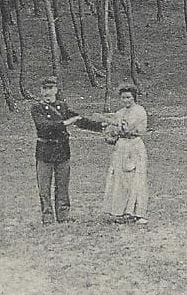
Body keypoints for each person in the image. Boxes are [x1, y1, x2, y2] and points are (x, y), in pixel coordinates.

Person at [30, 76, 101, 224]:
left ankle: (63, 215)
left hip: (62, 150)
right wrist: (65, 123)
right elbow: (43, 126)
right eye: (44, 89)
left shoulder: (62, 106)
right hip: (45, 150)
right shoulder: (36, 108)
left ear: (56, 90)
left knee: (62, 184)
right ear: (40, 91)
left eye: (50, 88)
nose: (47, 92)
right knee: (44, 187)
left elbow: (79, 120)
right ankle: (47, 216)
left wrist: (100, 127)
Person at [96, 84, 149, 224]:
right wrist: (109, 133)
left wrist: (111, 123)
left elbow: (128, 129)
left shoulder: (139, 111)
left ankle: (138, 213)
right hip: (121, 146)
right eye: (123, 97)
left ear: (134, 97)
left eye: (128, 97)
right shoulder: (119, 112)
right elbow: (112, 130)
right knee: (120, 178)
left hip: (134, 146)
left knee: (136, 178)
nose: (126, 100)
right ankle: (120, 211)